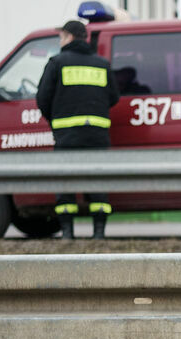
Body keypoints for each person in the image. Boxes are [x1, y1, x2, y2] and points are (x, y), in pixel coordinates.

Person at [36, 19, 121, 239]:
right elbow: (114, 97)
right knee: (98, 182)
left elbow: (42, 98)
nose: (60, 41)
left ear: (70, 36)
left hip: (67, 136)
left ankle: (67, 234)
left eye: (61, 37)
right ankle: (99, 234)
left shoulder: (57, 63)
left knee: (66, 182)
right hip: (97, 135)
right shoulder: (102, 64)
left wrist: (56, 120)